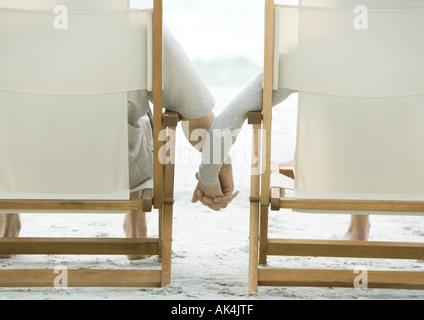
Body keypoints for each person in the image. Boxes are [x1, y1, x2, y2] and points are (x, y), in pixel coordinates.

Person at [0, 25, 238, 259]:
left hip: (20, 170)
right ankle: (136, 229)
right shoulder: (142, 30)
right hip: (116, 169)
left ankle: (6, 222)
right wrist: (217, 167)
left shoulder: (9, 24)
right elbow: (196, 116)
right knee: (144, 121)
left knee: (13, 119)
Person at [192, 72, 371, 241]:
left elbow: (234, 114)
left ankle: (308, 159)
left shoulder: (307, 55)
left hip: (321, 169)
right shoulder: (395, 55)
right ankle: (359, 228)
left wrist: (208, 178)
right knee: (367, 97)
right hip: (394, 176)